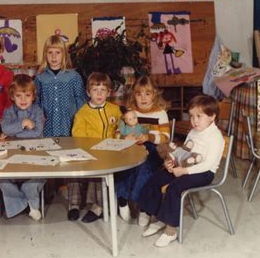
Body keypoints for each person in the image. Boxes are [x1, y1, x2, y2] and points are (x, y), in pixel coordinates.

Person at [138, 95, 224, 247]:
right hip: (186, 166)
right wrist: (172, 161)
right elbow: (184, 152)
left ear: (212, 116)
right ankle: (159, 217)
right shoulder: (193, 132)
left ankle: (171, 230)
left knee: (174, 188)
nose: (194, 121)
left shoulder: (216, 137)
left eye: (199, 116)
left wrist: (183, 171)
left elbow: (207, 165)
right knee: (156, 179)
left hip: (203, 173)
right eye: (191, 116)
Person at [115, 75, 170, 224]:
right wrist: (123, 138)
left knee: (145, 167)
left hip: (154, 148)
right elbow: (119, 132)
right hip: (132, 147)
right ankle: (122, 199)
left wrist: (148, 137)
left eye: (147, 93)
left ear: (154, 94)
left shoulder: (160, 113)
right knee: (124, 167)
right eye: (139, 94)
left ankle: (144, 207)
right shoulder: (131, 111)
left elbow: (166, 137)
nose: (143, 98)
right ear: (134, 96)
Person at [71, 72, 122, 223]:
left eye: (103, 90)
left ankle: (97, 207)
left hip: (111, 152)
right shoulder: (82, 113)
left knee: (101, 170)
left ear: (109, 92)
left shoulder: (114, 109)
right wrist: (92, 148)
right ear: (88, 92)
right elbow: (78, 135)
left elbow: (121, 127)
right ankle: (74, 205)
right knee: (76, 170)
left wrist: (119, 134)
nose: (99, 94)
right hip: (90, 151)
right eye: (95, 90)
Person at [0, 74, 46, 221]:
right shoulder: (8, 111)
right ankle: (21, 202)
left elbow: (38, 132)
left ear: (33, 96)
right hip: (13, 155)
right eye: (19, 96)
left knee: (38, 178)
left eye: (27, 95)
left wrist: (14, 132)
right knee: (1, 179)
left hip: (35, 154)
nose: (23, 100)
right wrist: (23, 124)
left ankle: (32, 205)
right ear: (12, 96)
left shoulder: (38, 111)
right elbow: (5, 128)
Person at [35, 34, 87, 137]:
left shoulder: (73, 76)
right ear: (45, 54)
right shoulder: (40, 77)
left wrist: (79, 120)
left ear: (63, 54)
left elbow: (81, 100)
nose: (53, 56)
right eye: (50, 52)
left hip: (69, 124)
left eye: (57, 52)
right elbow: (36, 100)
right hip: (47, 125)